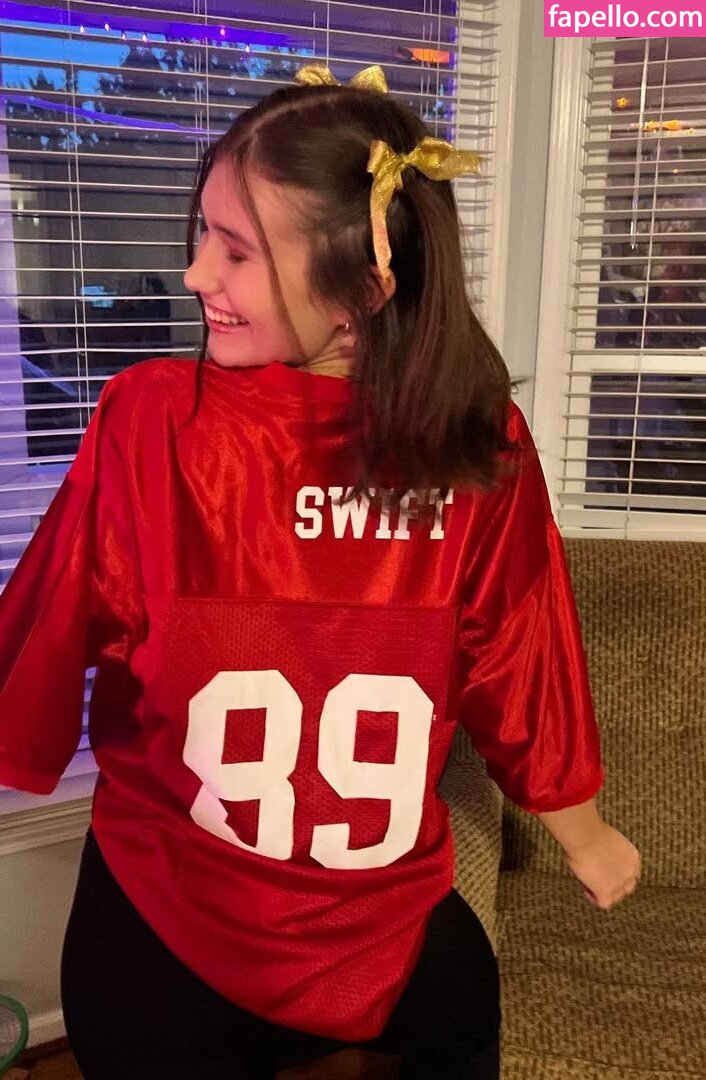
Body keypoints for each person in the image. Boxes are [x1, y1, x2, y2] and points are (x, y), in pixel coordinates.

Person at [0, 63, 640, 1079]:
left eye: (236, 249)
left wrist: (20, 734)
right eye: (203, 235)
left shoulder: (161, 418)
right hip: (273, 923)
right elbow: (518, 657)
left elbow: (46, 620)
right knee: (463, 1010)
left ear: (361, 292)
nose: (196, 275)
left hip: (213, 936)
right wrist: (584, 832)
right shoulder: (476, 437)